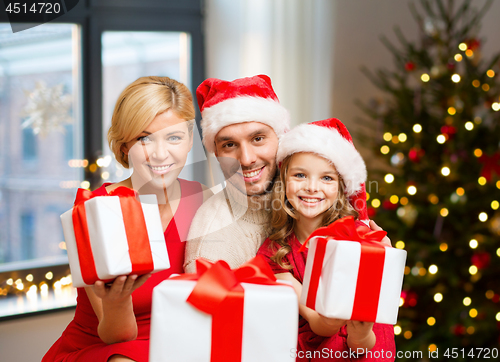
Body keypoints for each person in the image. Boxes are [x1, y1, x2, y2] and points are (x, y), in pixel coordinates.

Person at [42, 76, 212, 362]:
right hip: (106, 349)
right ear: (124, 147)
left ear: (189, 139)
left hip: (174, 345)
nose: (160, 154)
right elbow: (115, 336)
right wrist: (118, 301)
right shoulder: (98, 209)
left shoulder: (202, 199)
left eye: (174, 137)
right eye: (144, 138)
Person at [257, 118, 396, 361]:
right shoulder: (275, 252)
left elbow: (371, 339)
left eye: (327, 178)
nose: (312, 187)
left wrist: (382, 262)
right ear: (284, 182)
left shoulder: (359, 240)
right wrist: (335, 319)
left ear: (342, 188)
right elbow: (320, 324)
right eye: (300, 175)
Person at [184, 74, 290, 271]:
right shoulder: (211, 244)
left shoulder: (308, 201)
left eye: (258, 139)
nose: (246, 159)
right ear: (216, 153)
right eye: (230, 145)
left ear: (281, 138)